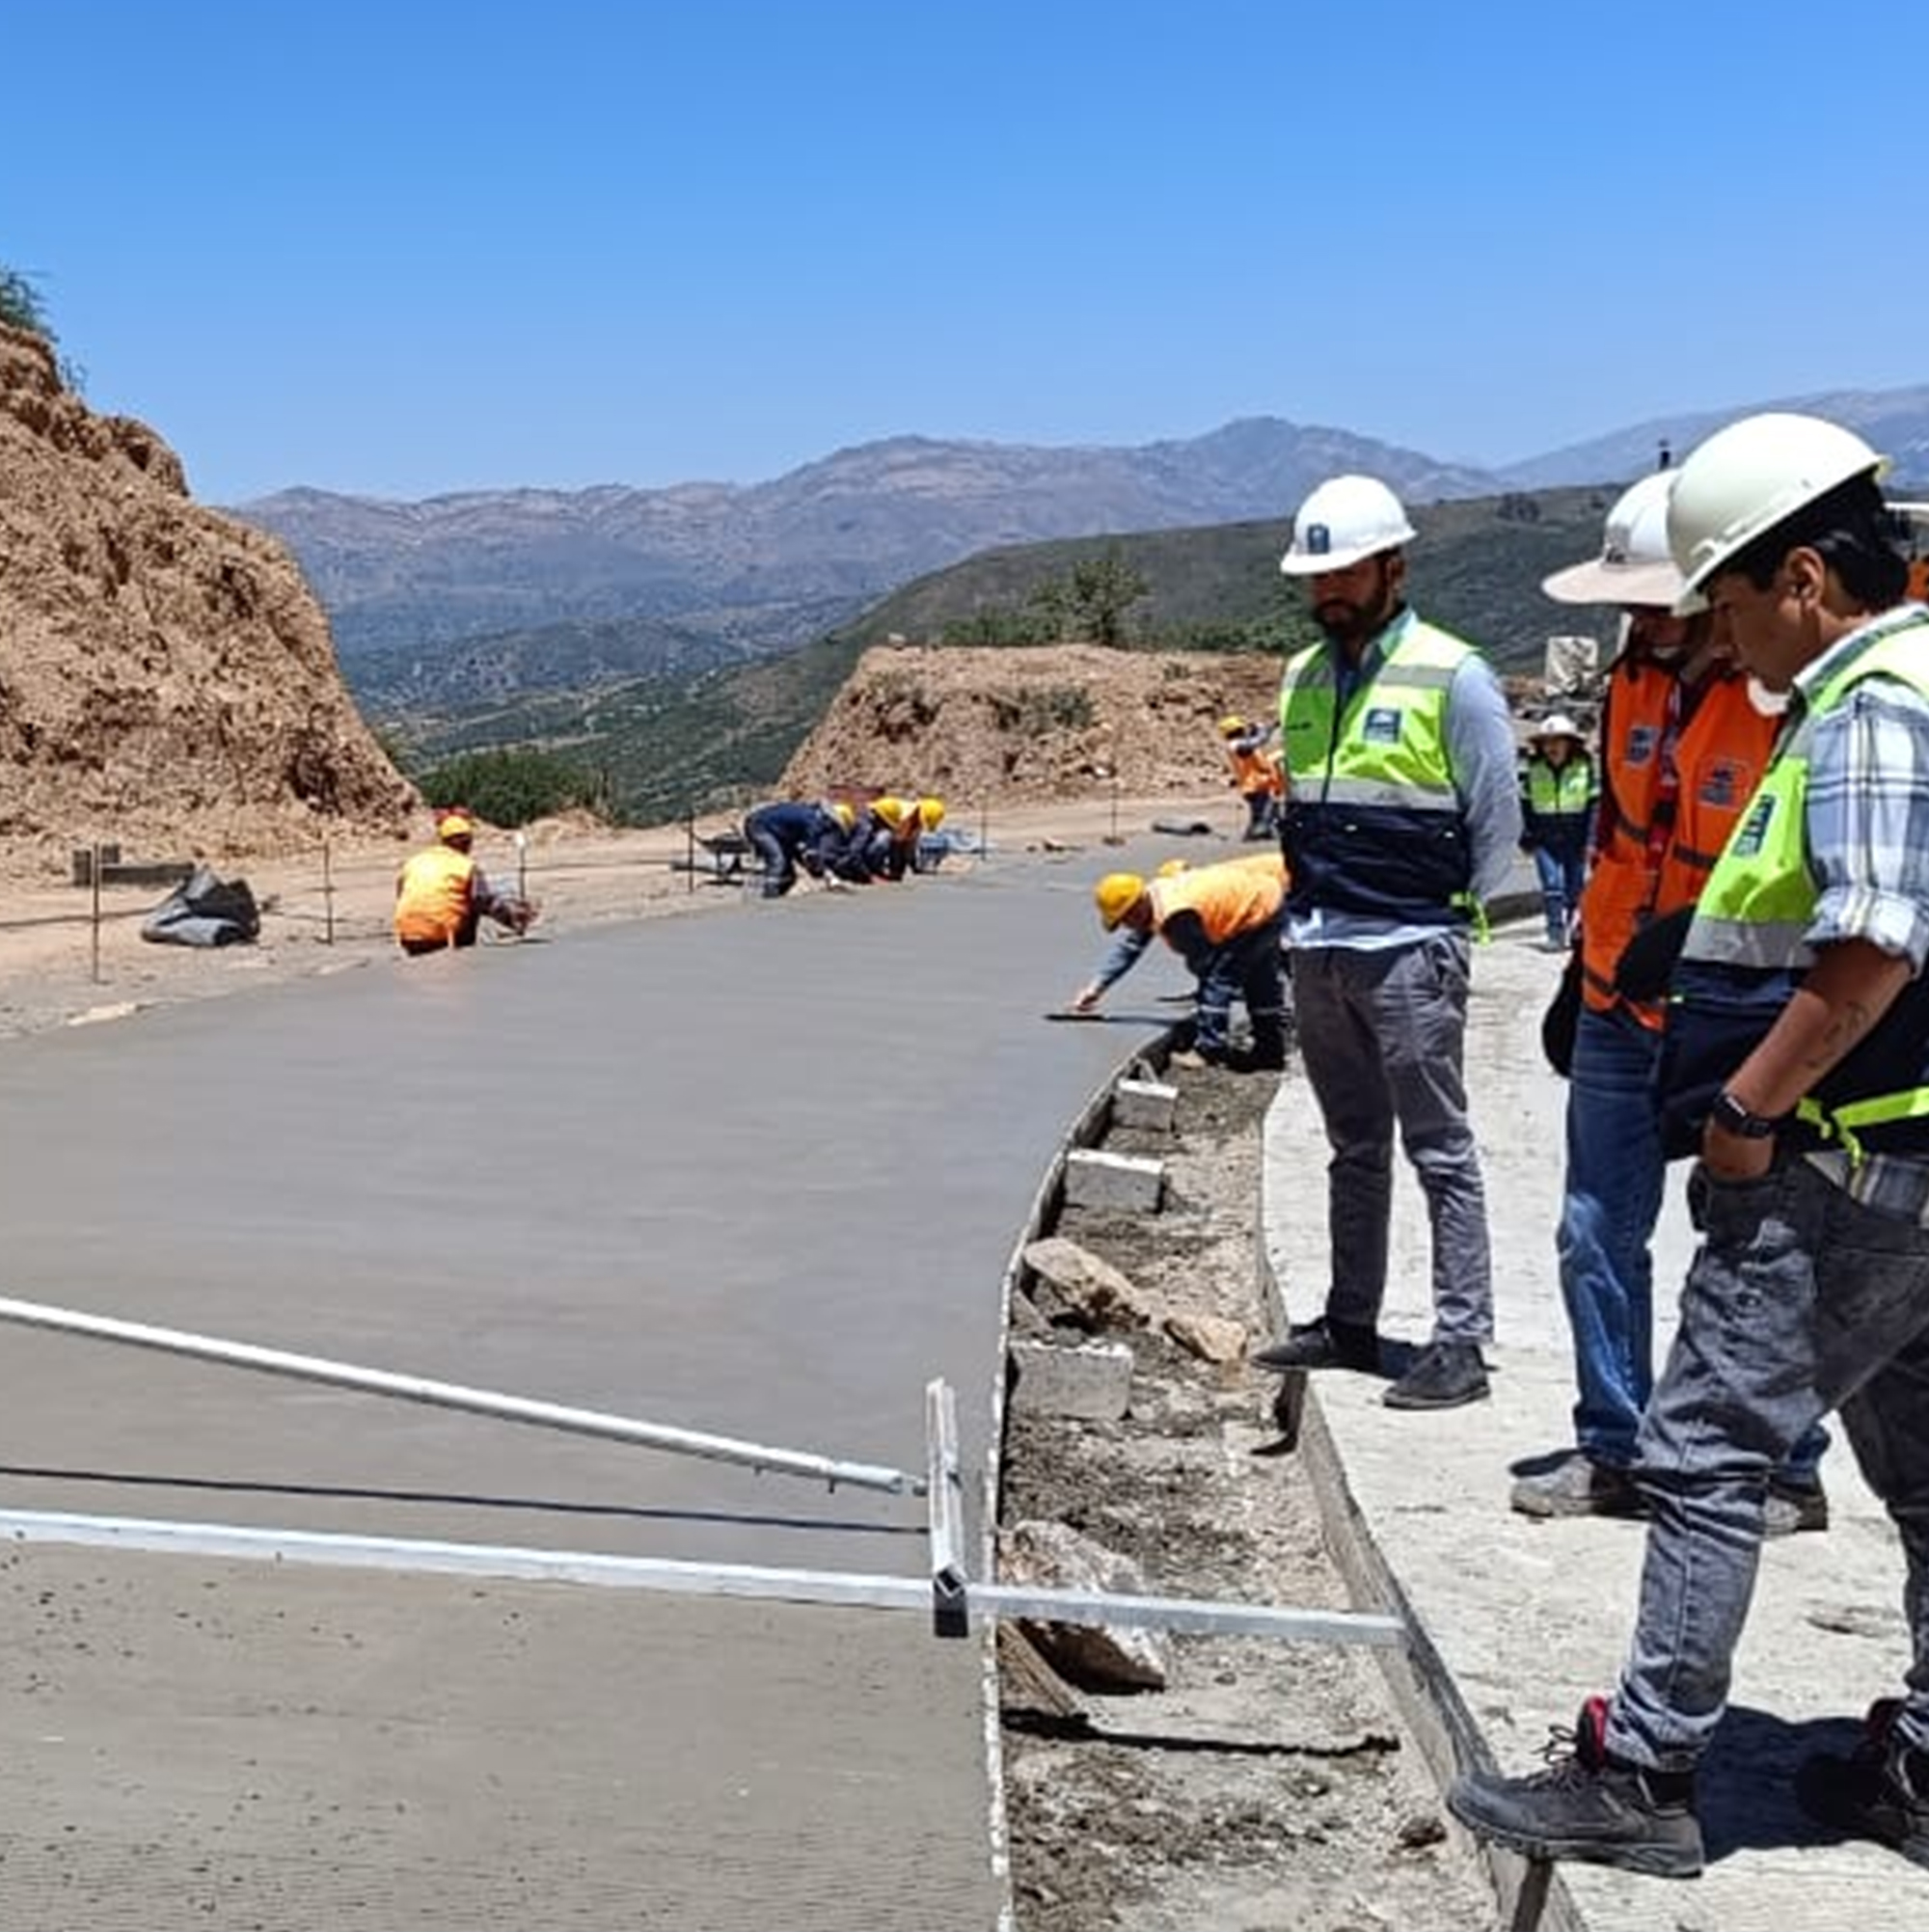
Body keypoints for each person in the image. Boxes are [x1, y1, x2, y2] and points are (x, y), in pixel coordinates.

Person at [1449, 412, 1929, 1879]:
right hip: (1912, 1166)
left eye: (1726, 599)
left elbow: (1872, 948)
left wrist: (1744, 1112)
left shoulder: (1868, 702)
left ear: (1802, 576)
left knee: (1710, 1451)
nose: (1718, 630)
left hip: (1839, 1164)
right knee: (1923, 1473)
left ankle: (1647, 1766)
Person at [1511, 470, 1828, 1532]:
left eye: (1659, 597)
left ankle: (1782, 1463)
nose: (1639, 617)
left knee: (1753, 1245)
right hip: (1613, 1003)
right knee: (1593, 1230)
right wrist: (1580, 971)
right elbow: (1615, 838)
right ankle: (1615, 1442)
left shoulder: (1786, 701)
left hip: (1735, 1016)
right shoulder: (1630, 686)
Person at [1251, 474, 1521, 1411]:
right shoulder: (1299, 676)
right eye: (1313, 576)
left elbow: (1496, 820)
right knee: (1351, 1143)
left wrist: (1444, 915)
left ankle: (1460, 1341)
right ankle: (1347, 1318)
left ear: (1391, 566)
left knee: (1437, 1145)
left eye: (1343, 571)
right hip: (1319, 941)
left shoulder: (1455, 675)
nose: (1326, 590)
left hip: (1410, 945)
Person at [1068, 854, 1288, 1070]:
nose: (1126, 926)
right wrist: (1096, 987)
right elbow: (1130, 948)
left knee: (1219, 976)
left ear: (1135, 907)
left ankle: (1209, 1050)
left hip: (1254, 913)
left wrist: (1206, 987)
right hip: (1269, 902)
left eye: (1124, 920)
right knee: (1260, 978)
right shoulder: (1153, 898)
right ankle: (1270, 1052)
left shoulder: (1175, 914)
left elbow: (1205, 962)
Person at [394, 809, 534, 954]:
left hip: (408, 938)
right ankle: (463, 946)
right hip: (441, 938)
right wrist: (512, 920)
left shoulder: (414, 862)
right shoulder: (466, 866)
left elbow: (401, 894)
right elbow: (483, 901)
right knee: (472, 901)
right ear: (468, 843)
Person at [1517, 714, 1596, 950]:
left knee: (1574, 888)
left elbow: (1595, 806)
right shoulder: (1533, 770)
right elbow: (1524, 805)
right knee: (1552, 886)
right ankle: (1554, 933)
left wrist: (1591, 839)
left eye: (1558, 741)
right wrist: (1525, 835)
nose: (1552, 747)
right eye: (1547, 742)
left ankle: (1574, 930)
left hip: (1576, 837)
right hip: (1545, 837)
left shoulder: (1584, 768)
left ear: (1569, 744)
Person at [742, 798, 860, 898]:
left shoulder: (812, 817)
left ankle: (778, 894)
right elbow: (811, 855)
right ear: (832, 822)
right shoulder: (814, 822)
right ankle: (769, 896)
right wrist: (828, 875)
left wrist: (819, 871)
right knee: (777, 860)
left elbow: (801, 852)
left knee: (789, 873)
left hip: (775, 831)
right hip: (758, 826)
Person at [1219, 714, 1285, 840]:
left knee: (1266, 814)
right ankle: (1257, 835)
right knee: (1264, 816)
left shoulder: (1243, 744)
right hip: (1254, 787)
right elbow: (1257, 741)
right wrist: (1264, 731)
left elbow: (1258, 748)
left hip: (1261, 785)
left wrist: (1270, 728)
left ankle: (1264, 834)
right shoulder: (1235, 744)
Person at [860, 794, 946, 881]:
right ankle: (871, 869)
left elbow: (910, 844)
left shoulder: (916, 820)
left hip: (885, 840)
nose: (921, 825)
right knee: (885, 838)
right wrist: (895, 870)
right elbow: (897, 843)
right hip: (869, 842)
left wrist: (914, 867)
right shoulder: (905, 816)